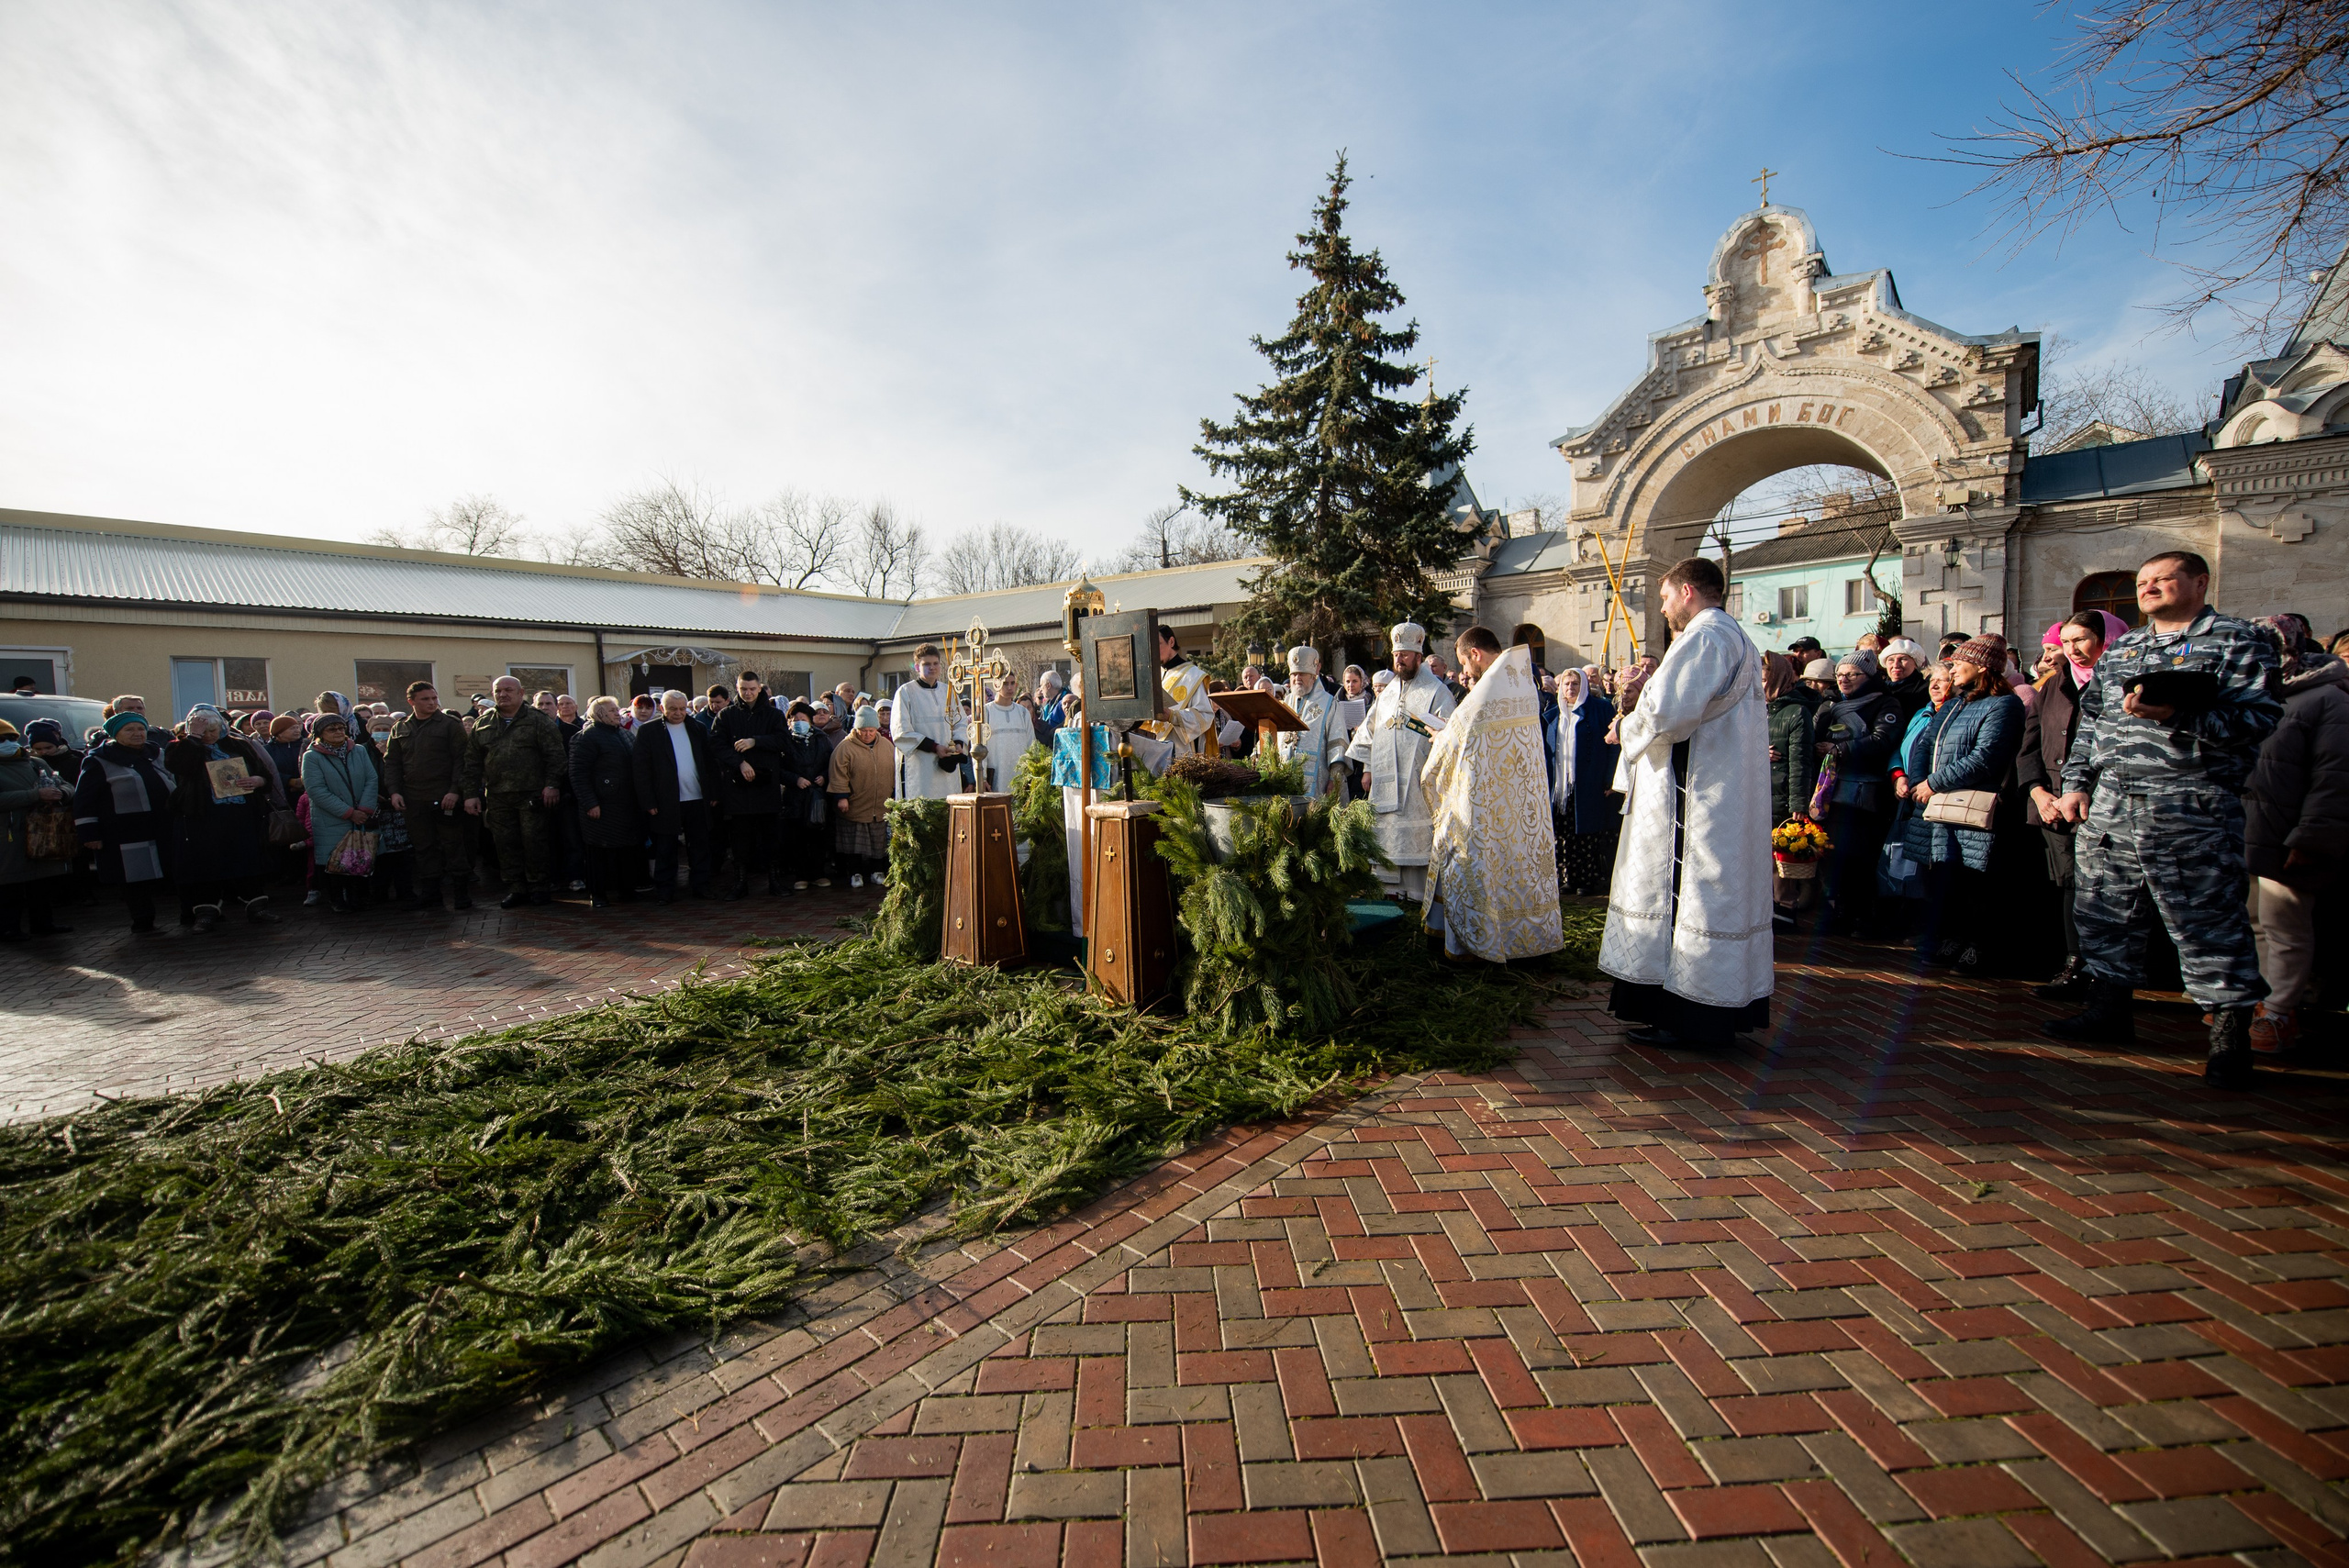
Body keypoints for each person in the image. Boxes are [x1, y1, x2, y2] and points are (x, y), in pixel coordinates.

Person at [2047, 550, 2283, 1085]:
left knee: (2206, 920)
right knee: (2105, 912)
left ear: (2199, 582)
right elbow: (2093, 721)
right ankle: (2109, 1009)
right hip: (2112, 806)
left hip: (2189, 805)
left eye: (2163, 579)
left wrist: (2181, 713)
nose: (2149, 588)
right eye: (2143, 582)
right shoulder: (2126, 645)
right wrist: (2078, 783)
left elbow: (2259, 718)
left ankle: (2228, 1038)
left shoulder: (2237, 640)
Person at [1599, 557, 1773, 1049]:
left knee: (1687, 894)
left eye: (1665, 596)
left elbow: (1671, 716)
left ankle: (1688, 1017)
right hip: (1716, 791)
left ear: (1689, 591)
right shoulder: (1732, 634)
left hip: (1694, 800)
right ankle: (1702, 1014)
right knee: (1711, 895)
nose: (1663, 607)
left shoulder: (1704, 636)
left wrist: (1626, 722)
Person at [1419, 628, 1563, 962]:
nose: (1466, 673)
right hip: (1520, 801)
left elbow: (1456, 744)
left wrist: (1439, 737)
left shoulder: (1486, 689)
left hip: (1484, 805)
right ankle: (1525, 942)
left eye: (1464, 664)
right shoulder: (1518, 679)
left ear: (1475, 654)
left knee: (1470, 861)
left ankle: (1472, 947)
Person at [2242, 617, 2349, 1055]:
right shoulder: (2246, 695)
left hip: (2287, 835)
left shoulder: (2327, 699)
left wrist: (2312, 838)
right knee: (2253, 923)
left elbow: (2335, 778)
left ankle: (2280, 1010)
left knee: (2285, 924)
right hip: (2245, 830)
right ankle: (2262, 1002)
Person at [1897, 638, 2024, 973]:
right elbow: (1925, 744)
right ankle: (1950, 939)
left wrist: (1933, 783)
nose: (1952, 669)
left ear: (1982, 666)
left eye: (1958, 663)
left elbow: (1985, 758)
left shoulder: (2004, 705)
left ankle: (1978, 947)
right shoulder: (1954, 704)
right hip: (1938, 807)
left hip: (1971, 808)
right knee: (1945, 878)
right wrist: (1918, 778)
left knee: (1975, 883)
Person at [2017, 612, 2126, 998]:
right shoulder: (2052, 686)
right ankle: (2075, 964)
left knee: (2113, 888)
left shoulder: (2122, 681)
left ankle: (2114, 974)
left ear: (2106, 638)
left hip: (2107, 805)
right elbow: (2028, 747)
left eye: (2083, 639)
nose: (2074, 650)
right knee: (2070, 885)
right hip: (2054, 806)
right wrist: (2038, 792)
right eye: (2067, 641)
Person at [1347, 622, 1457, 902]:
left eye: (1405, 655)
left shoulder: (1437, 692)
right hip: (1384, 780)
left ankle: (1418, 893)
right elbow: (1369, 729)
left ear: (1419, 657)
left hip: (1419, 781)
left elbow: (1450, 732)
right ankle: (1389, 891)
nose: (1400, 659)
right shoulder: (1388, 693)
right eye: (1397, 654)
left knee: (1417, 837)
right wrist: (1367, 767)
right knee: (1386, 834)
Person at [162, 706, 277, 930]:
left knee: (247, 860)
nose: (210, 736)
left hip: (240, 814)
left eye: (213, 730)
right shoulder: (182, 747)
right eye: (204, 731)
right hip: (202, 817)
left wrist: (257, 781)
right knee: (206, 864)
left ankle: (257, 907)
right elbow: (179, 767)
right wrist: (193, 738)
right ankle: (206, 912)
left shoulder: (239, 745)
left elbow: (265, 774)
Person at [460, 674, 569, 908]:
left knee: (534, 842)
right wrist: (470, 794)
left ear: (521, 693)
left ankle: (539, 887)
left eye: (508, 690)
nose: (503, 695)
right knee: (505, 843)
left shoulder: (537, 720)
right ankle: (516, 888)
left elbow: (556, 756)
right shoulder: (483, 722)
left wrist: (552, 785)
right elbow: (471, 762)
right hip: (498, 795)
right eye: (498, 691)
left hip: (532, 794)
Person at [73, 711, 176, 932]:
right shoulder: (99, 760)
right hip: (125, 831)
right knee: (134, 878)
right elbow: (84, 799)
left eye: (140, 729)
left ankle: (189, 915)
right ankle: (143, 922)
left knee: (173, 870)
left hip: (164, 825)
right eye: (129, 730)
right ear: (115, 734)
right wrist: (89, 833)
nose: (137, 734)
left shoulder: (157, 753)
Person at [384, 684, 474, 911]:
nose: (432, 703)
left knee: (453, 845)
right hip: (414, 798)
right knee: (424, 847)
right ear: (412, 701)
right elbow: (392, 762)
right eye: (425, 699)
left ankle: (461, 894)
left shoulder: (449, 725)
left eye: (434, 698)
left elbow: (461, 760)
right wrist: (394, 791)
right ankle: (431, 894)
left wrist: (455, 790)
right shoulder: (400, 727)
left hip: (444, 795)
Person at [633, 689, 718, 899]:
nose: (678, 713)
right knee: (665, 847)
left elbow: (711, 763)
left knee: (699, 845)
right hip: (665, 800)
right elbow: (641, 769)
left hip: (696, 797)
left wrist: (714, 792)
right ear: (662, 708)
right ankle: (665, 889)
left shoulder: (697, 728)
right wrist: (648, 800)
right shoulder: (649, 732)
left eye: (682, 709)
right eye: (673, 709)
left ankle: (701, 885)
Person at [711, 671, 788, 898]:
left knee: (771, 837)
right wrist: (740, 763)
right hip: (738, 787)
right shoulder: (726, 715)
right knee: (740, 838)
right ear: (737, 688)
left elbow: (783, 740)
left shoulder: (774, 715)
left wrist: (756, 741)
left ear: (759, 689)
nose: (748, 693)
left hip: (767, 785)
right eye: (744, 689)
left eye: (752, 689)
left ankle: (775, 881)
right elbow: (717, 745)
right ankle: (740, 883)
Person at [1549, 665, 1620, 898]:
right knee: (1563, 833)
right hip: (1561, 786)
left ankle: (1587, 880)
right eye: (1567, 684)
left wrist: (1610, 778)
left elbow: (1612, 747)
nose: (1571, 688)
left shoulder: (1600, 709)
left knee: (1587, 833)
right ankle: (1567, 878)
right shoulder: (1553, 714)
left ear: (1585, 687)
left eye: (1576, 684)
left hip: (1589, 782)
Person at [300, 711, 380, 915]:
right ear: (320, 733)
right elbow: (316, 790)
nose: (338, 732)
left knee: (361, 856)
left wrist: (363, 809)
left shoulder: (359, 751)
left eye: (341, 728)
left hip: (361, 815)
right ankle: (337, 899)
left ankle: (359, 897)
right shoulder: (312, 757)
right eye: (331, 729)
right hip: (331, 818)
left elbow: (372, 779)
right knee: (334, 860)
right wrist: (348, 812)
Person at [0, 720, 72, 940]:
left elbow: (66, 784)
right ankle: (8, 928)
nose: (8, 743)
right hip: (8, 834)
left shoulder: (35, 763)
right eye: (1, 740)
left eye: (11, 738)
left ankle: (43, 923)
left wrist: (61, 793)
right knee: (9, 885)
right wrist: (34, 796)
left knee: (40, 882)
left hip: (41, 830)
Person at [569, 695, 644, 908]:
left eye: (616, 709)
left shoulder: (623, 734)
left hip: (625, 804)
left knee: (626, 849)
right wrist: (590, 803)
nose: (617, 713)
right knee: (599, 852)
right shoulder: (586, 737)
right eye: (611, 711)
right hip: (601, 805)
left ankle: (626, 889)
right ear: (598, 714)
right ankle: (598, 893)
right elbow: (578, 773)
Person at [1763, 653, 1818, 931]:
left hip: (1782, 792)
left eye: (1763, 680)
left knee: (1781, 857)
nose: (1758, 686)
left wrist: (1799, 804)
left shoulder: (1796, 712)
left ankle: (1785, 909)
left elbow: (1801, 761)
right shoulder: (1755, 709)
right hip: (1758, 792)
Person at [828, 704, 894, 888]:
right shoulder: (845, 748)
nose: (867, 734)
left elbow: (895, 771)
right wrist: (842, 796)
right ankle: (855, 873)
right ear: (856, 729)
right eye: (863, 730)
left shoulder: (887, 746)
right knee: (854, 843)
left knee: (878, 841)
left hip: (880, 803)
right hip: (855, 803)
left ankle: (877, 871)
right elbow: (838, 774)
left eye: (871, 730)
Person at [890, 645, 968, 800]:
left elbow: (961, 722)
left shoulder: (949, 691)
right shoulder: (906, 692)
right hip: (920, 767)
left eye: (935, 663)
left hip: (947, 767)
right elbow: (901, 732)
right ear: (917, 666)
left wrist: (958, 743)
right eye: (927, 664)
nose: (932, 668)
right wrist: (934, 747)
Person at [779, 700, 833, 889]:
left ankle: (818, 873)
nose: (799, 722)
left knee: (818, 836)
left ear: (810, 721)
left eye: (803, 719)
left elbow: (831, 762)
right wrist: (795, 779)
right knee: (797, 837)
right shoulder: (784, 740)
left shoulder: (821, 738)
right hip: (795, 796)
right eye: (795, 719)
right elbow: (778, 768)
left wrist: (824, 777)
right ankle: (800, 875)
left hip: (817, 796)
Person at [1275, 646, 1345, 795]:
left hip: (1317, 781)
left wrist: (1334, 778)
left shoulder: (1329, 703)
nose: (1297, 678)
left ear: (1313, 676)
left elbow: (1337, 743)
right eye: (1294, 674)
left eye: (1302, 674)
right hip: (1284, 779)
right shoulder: (1285, 703)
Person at [1157, 625, 1217, 755]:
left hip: (1182, 753)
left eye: (1158, 644)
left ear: (1171, 642)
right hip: (1156, 750)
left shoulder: (1193, 675)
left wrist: (1173, 716)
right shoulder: (1157, 675)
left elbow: (1205, 716)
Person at [981, 676, 1037, 792]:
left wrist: (1033, 773)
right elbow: (980, 747)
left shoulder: (1023, 712)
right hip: (996, 777)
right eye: (1005, 683)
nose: (1010, 687)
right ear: (996, 684)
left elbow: (1032, 744)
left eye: (1012, 683)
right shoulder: (986, 712)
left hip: (1021, 778)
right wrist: (982, 777)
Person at [1880, 638, 1930, 722]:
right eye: (1891, 660)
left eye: (1903, 659)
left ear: (1915, 663)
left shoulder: (1925, 690)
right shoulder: (1879, 689)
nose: (1896, 665)